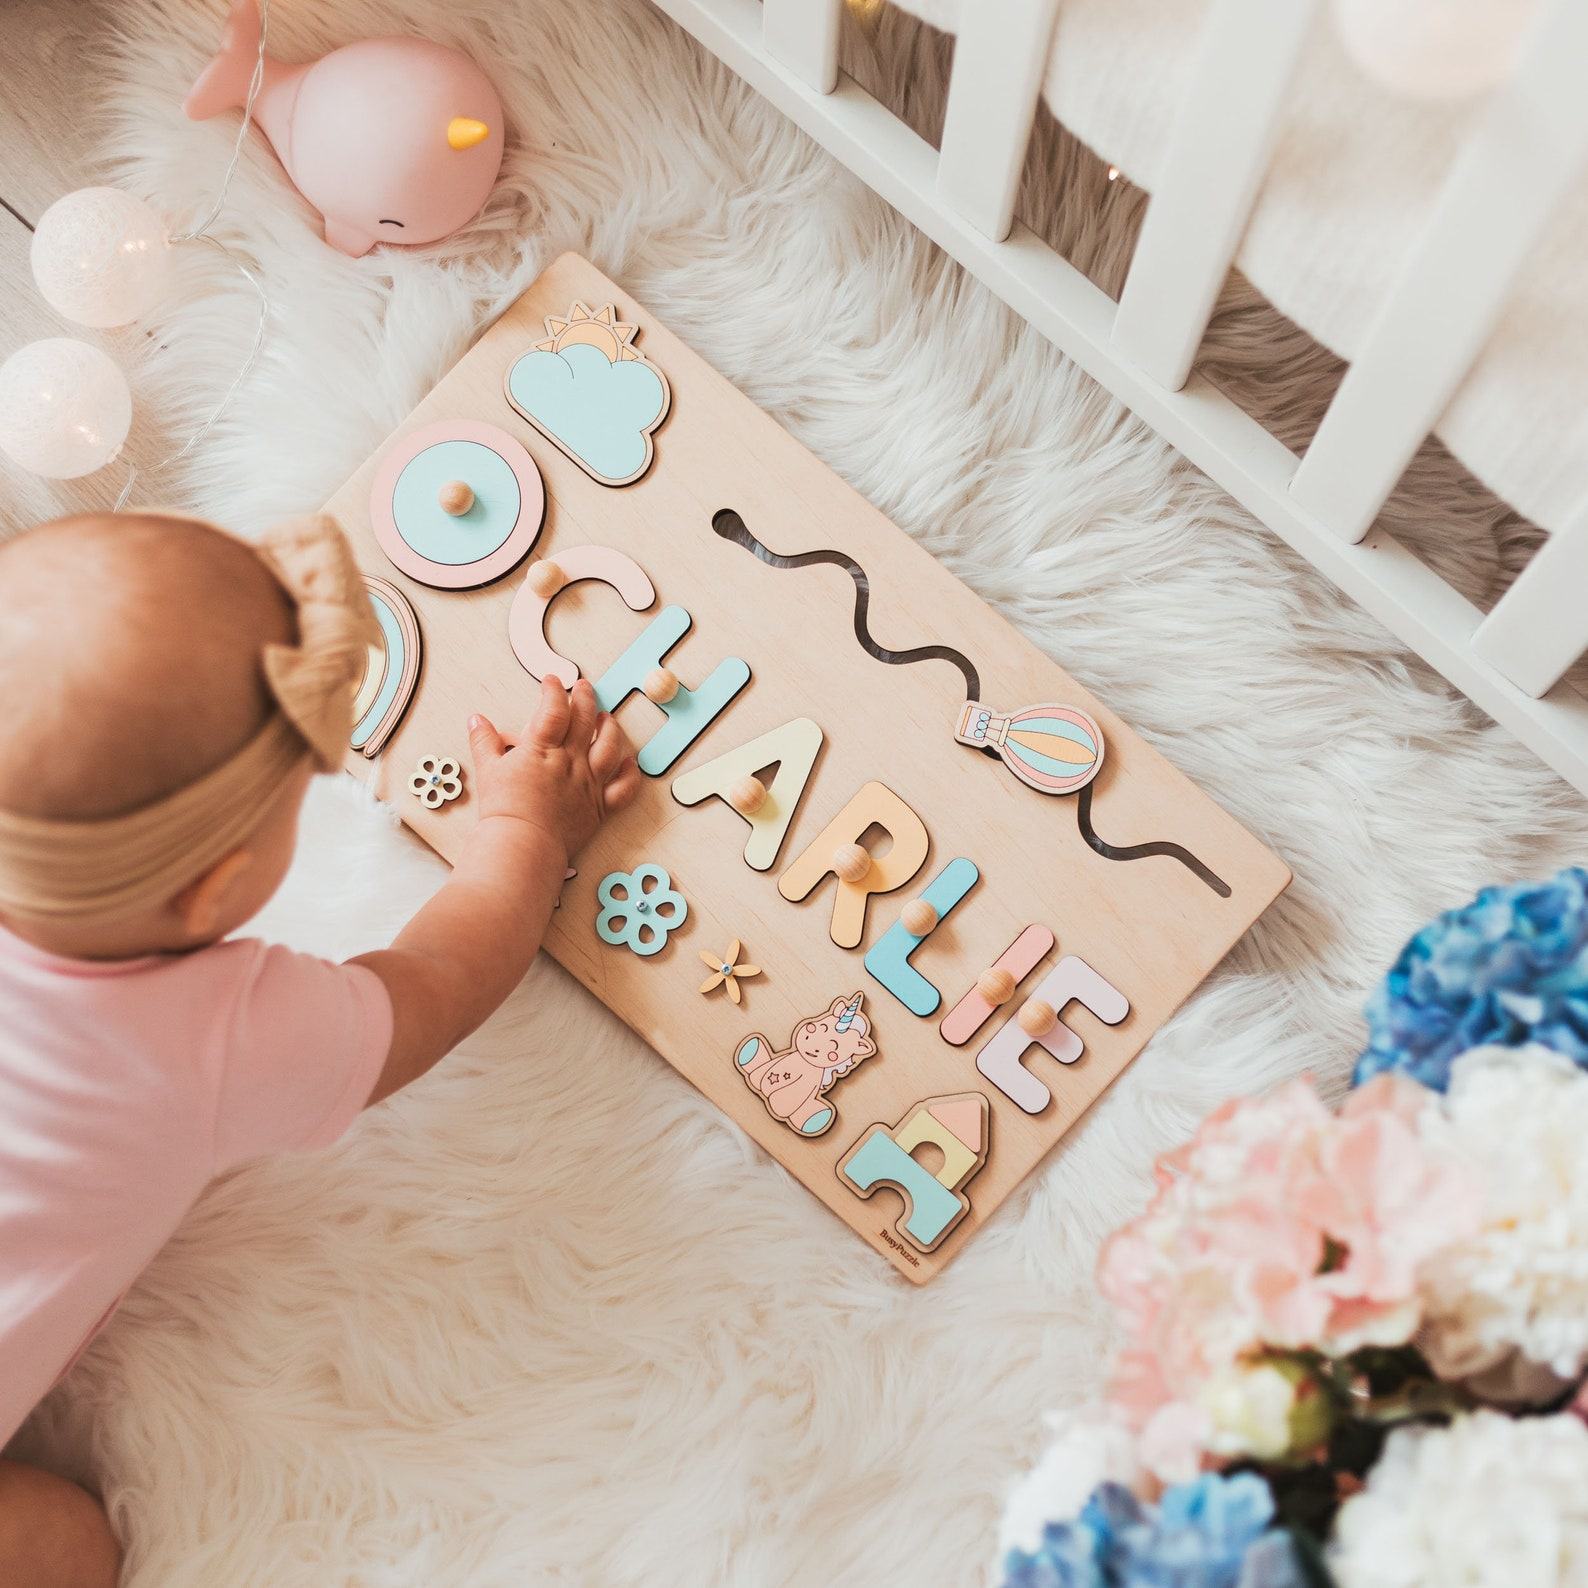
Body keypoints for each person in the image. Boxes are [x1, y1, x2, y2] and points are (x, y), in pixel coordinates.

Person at [0, 511, 637, 1586]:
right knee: (68, 1545)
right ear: (213, 891)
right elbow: (437, 984)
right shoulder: (209, 1038)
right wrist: (524, 832)